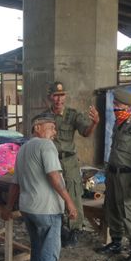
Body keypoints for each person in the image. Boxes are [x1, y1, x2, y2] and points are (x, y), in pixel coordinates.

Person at [2, 113, 77, 261]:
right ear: (37, 128)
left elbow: (15, 184)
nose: (54, 132)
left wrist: (8, 207)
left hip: (28, 208)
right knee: (50, 251)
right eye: (51, 127)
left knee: (37, 246)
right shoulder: (46, 145)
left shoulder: (23, 149)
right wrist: (69, 201)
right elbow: (54, 176)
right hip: (47, 209)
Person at [96, 88, 131, 261]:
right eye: (114, 104)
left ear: (128, 106)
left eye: (117, 105)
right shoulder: (119, 124)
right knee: (113, 209)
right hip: (113, 175)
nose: (114, 108)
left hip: (128, 178)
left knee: (130, 212)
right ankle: (116, 243)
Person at [44, 81, 99, 247]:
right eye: (55, 95)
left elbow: (86, 132)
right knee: (53, 193)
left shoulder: (73, 115)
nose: (59, 99)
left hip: (69, 161)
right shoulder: (44, 117)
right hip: (51, 161)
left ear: (65, 96)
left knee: (73, 193)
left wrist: (95, 123)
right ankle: (60, 228)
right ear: (50, 97)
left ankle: (75, 230)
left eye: (61, 95)